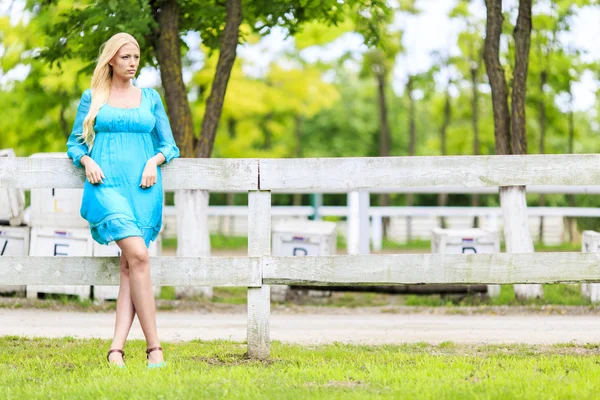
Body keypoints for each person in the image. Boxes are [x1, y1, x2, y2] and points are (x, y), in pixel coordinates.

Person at [66, 32, 180, 368]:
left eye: (136, 57)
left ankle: (116, 349)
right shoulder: (93, 97)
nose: (132, 63)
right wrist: (86, 161)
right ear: (111, 60)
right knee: (140, 257)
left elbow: (169, 146)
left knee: (131, 266)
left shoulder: (150, 97)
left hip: (143, 189)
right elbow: (75, 144)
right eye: (126, 57)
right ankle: (154, 348)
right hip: (107, 186)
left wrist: (153, 161)